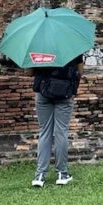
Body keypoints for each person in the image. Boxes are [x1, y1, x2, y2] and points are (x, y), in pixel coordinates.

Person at [31, 54, 84, 188]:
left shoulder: (39, 46)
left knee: (44, 131)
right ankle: (62, 173)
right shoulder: (72, 47)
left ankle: (40, 175)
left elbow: (30, 72)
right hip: (64, 91)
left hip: (43, 90)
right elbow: (80, 72)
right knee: (61, 131)